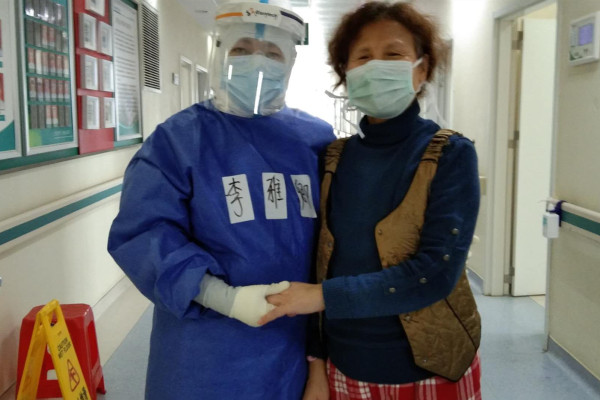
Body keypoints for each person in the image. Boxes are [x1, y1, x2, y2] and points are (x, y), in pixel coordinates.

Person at [107, 0, 335, 398]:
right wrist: (224, 298)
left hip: (291, 345)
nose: (257, 62)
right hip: (203, 350)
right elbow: (144, 234)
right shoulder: (179, 140)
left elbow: (334, 242)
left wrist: (318, 360)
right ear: (219, 53)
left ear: (290, 63)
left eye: (272, 53)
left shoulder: (315, 140)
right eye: (242, 49)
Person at [259, 2, 482, 399]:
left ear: (422, 69)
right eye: (363, 57)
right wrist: (316, 362)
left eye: (394, 54)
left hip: (429, 368)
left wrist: (321, 298)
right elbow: (319, 262)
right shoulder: (333, 158)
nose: (377, 66)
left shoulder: (449, 154)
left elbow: (435, 273)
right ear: (346, 74)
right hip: (346, 366)